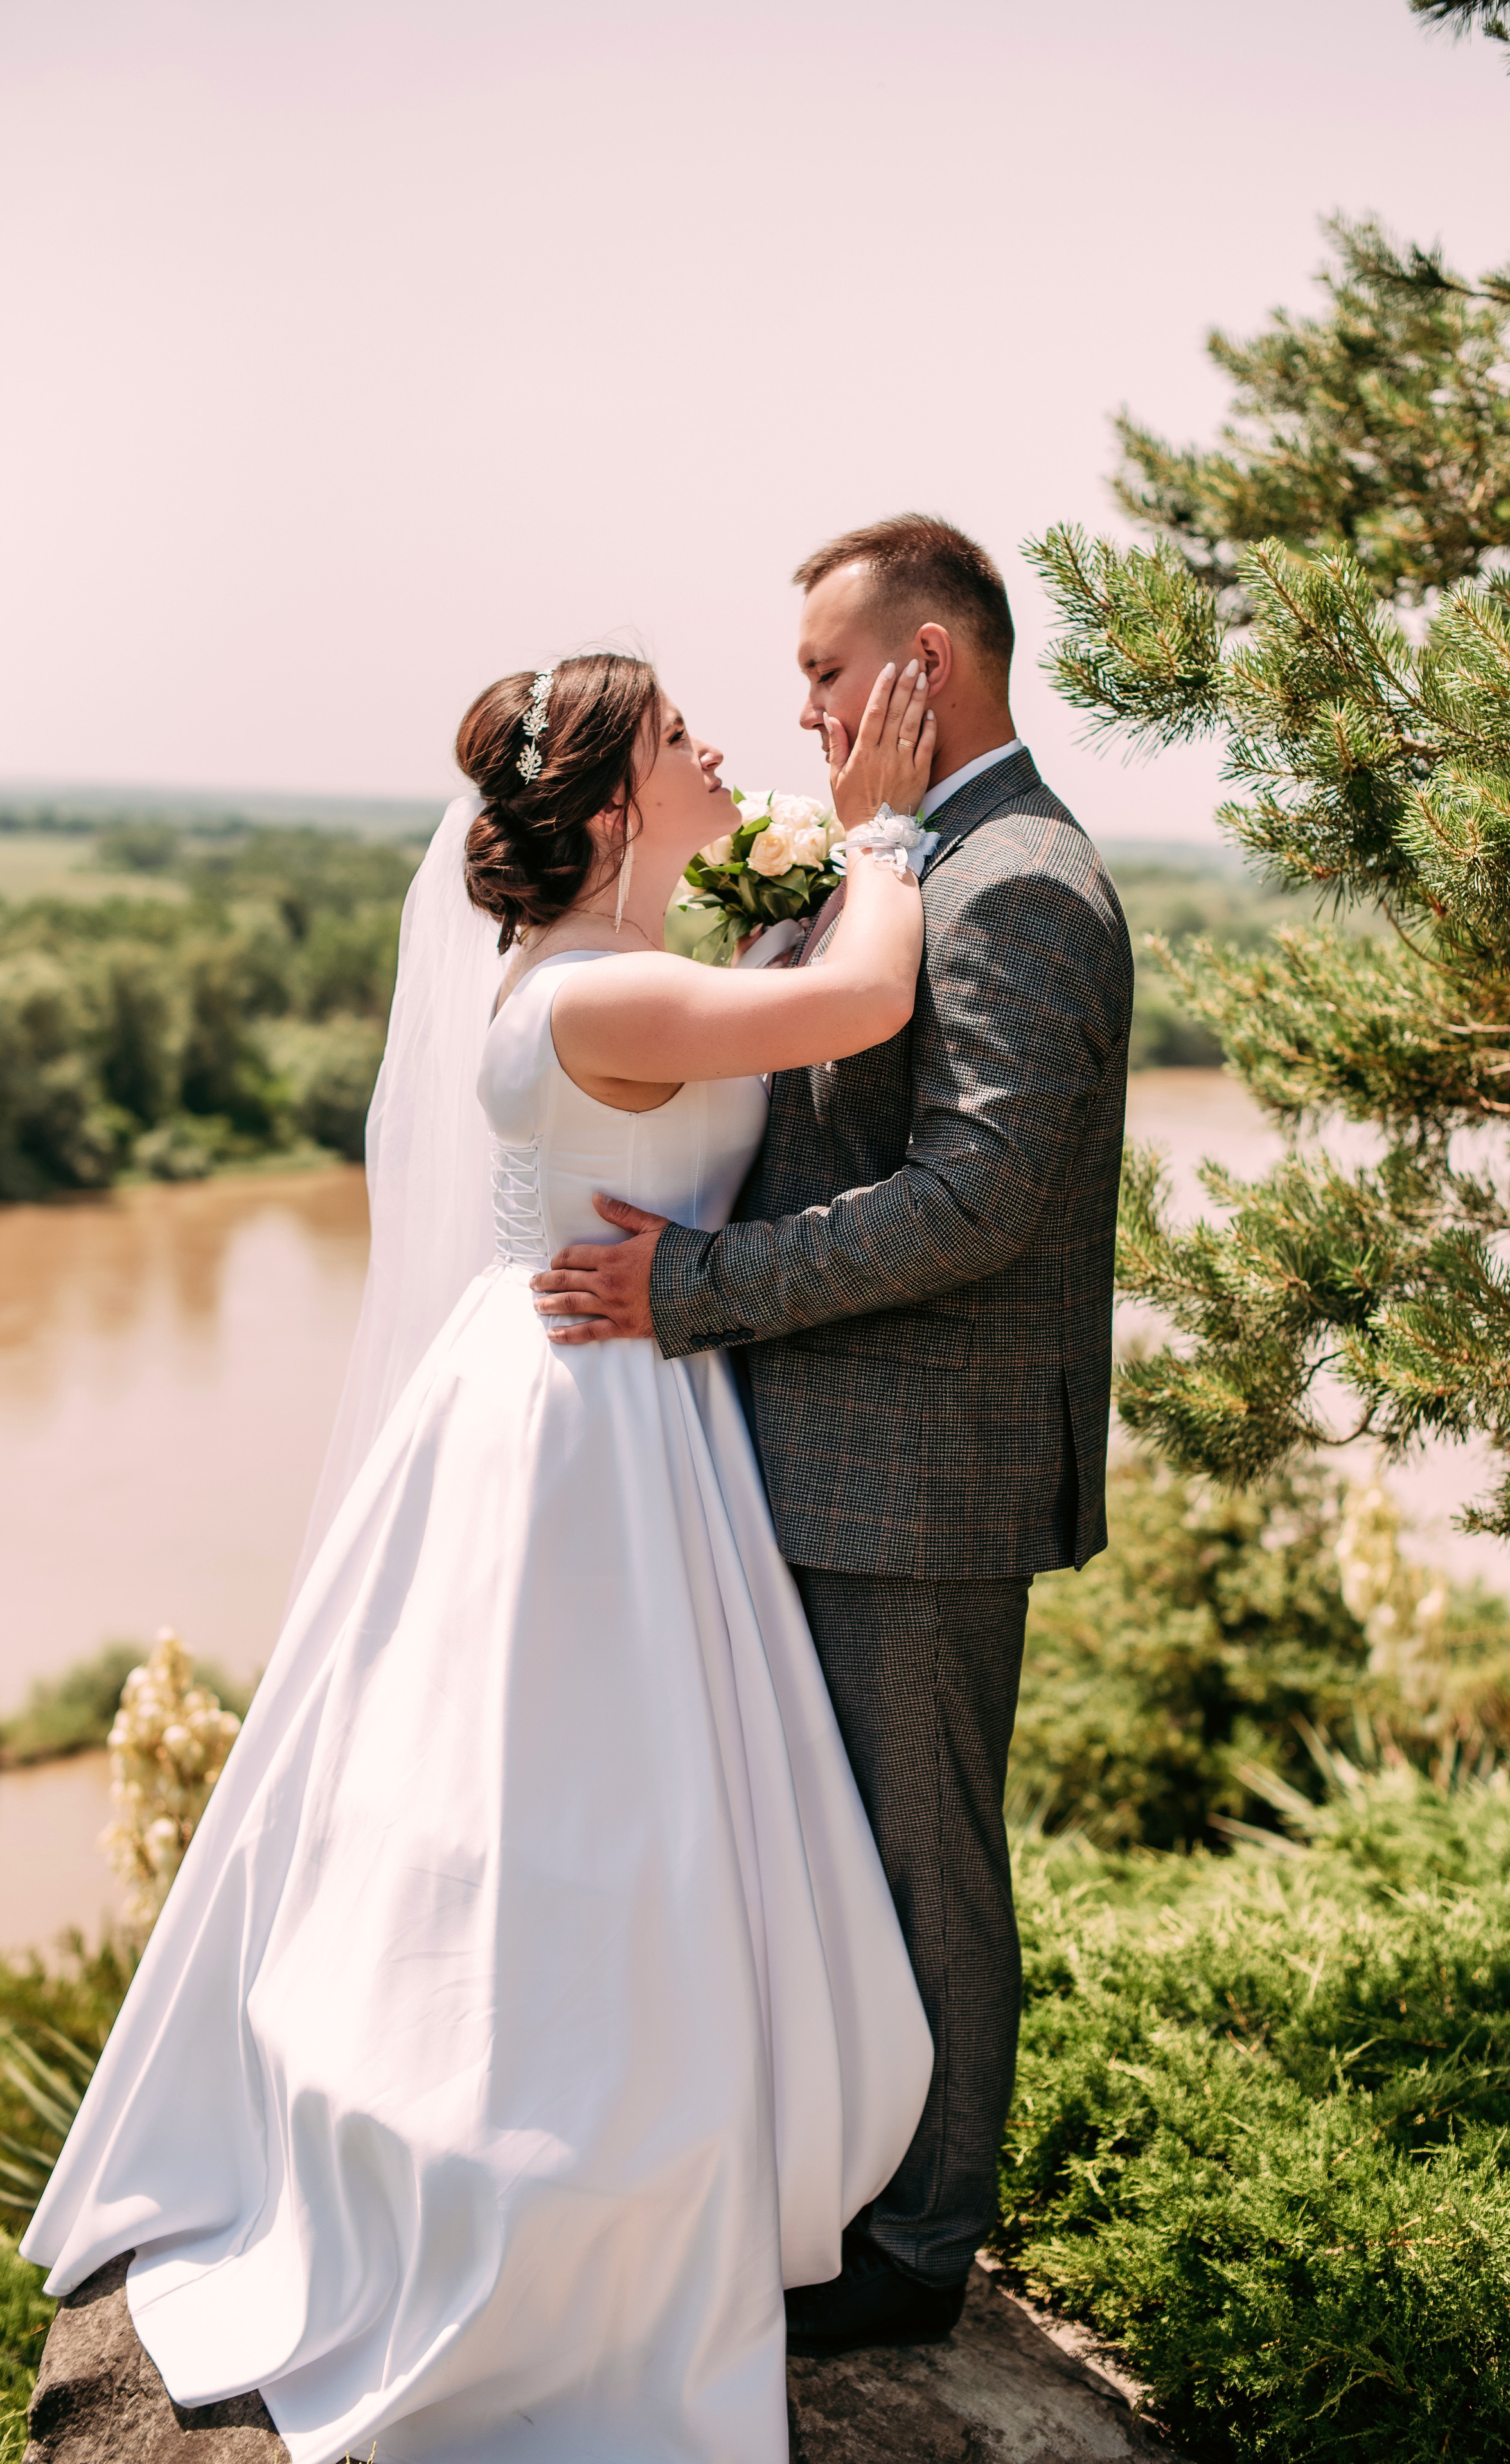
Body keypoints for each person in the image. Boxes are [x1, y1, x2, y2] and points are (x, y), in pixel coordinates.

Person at [22, 651, 942, 2464]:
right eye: (681, 739)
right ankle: (558, 2182)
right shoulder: (598, 1001)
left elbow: (760, 1006)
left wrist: (785, 887)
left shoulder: (612, 971)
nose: (716, 751)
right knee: (583, 1802)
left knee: (589, 1800)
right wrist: (887, 830)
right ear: (609, 807)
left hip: (595, 1385)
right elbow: (860, 1000)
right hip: (586, 1421)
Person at [530, 516, 1135, 2355]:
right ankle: (828, 2177)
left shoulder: (1019, 880)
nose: (794, 707)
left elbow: (973, 1204)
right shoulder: (902, 861)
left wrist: (694, 1288)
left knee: (924, 1861)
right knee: (820, 1855)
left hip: (919, 1478)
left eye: (819, 670)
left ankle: (924, 2239)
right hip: (801, 1457)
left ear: (920, 668)